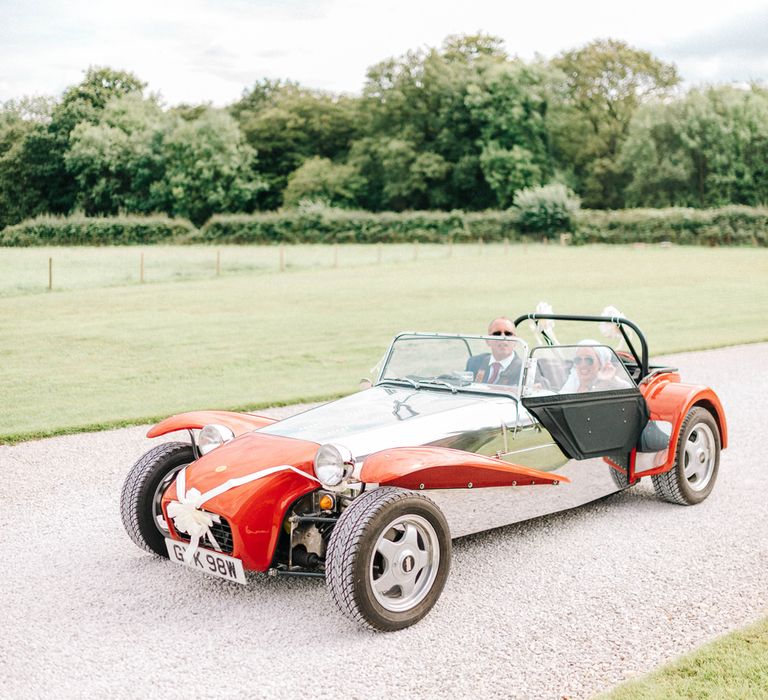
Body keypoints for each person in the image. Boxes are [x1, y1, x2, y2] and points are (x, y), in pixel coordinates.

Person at [466, 317, 523, 386]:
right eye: (497, 334)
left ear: (515, 340)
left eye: (508, 334)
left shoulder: (524, 370)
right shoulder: (475, 362)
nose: (503, 338)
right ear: (487, 340)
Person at [559, 340, 632, 393]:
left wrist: (607, 381)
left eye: (589, 360)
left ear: (601, 363)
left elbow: (627, 389)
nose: (583, 364)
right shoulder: (573, 381)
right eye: (578, 360)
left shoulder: (616, 384)